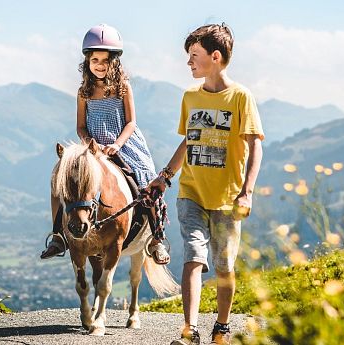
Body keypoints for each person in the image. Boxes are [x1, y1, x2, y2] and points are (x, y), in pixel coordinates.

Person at [145, 23, 263, 345]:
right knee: (193, 258)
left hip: (227, 198)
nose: (189, 63)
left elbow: (255, 146)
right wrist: (165, 177)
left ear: (215, 56)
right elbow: (189, 141)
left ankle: (221, 328)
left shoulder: (240, 97)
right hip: (191, 192)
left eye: (194, 55)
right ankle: (189, 331)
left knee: (224, 267)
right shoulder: (190, 97)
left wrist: (247, 192)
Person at [40, 24, 170, 265]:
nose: (100, 64)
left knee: (146, 182)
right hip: (93, 147)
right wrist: (90, 144)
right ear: (87, 61)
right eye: (94, 59)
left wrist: (117, 145)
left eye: (105, 60)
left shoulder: (122, 88)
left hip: (125, 144)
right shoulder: (84, 91)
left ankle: (156, 239)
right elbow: (80, 126)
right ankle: (59, 235)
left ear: (115, 62)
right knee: (60, 180)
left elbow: (131, 122)